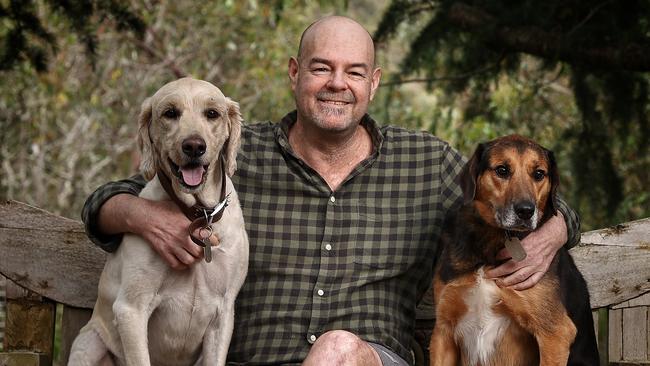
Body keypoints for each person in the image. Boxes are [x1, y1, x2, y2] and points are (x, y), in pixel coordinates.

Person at [82, 16, 580, 366]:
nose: (336, 84)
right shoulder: (236, 151)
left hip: (367, 358)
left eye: (354, 73)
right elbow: (108, 201)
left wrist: (554, 231)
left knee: (337, 351)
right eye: (321, 68)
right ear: (295, 73)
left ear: (374, 83)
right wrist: (143, 216)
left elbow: (524, 193)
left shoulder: (428, 164)